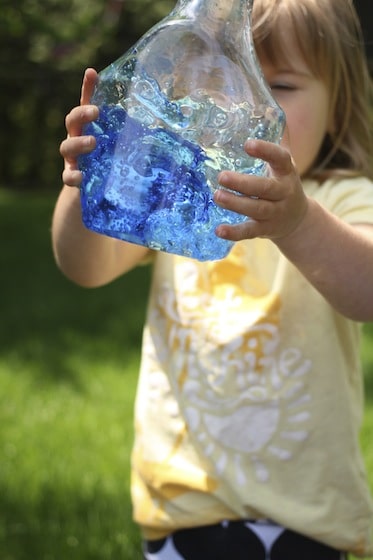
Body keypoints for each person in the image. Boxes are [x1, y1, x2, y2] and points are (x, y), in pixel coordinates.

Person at [52, 0, 373, 558]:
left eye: (281, 86)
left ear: (338, 109)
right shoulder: (179, 200)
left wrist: (296, 223)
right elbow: (83, 268)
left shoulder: (339, 201)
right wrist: (90, 182)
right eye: (216, 84)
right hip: (181, 511)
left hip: (300, 521)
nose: (247, 103)